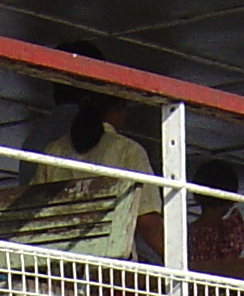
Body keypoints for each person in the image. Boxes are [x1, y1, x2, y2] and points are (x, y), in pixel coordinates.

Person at [34, 90, 164, 262]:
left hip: (63, 264)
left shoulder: (54, 150)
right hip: (111, 268)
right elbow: (147, 222)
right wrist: (180, 265)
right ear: (119, 108)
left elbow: (36, 213)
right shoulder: (128, 150)